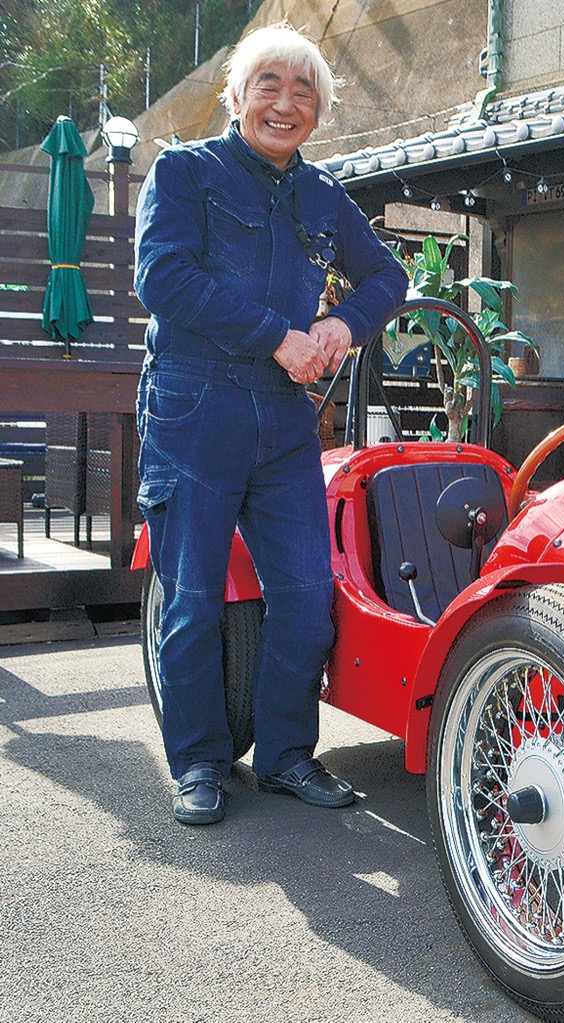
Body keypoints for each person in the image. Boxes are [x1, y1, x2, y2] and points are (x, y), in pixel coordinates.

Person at [134, 23, 408, 825]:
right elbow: (163, 279)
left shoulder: (324, 194)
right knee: (191, 598)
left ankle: (287, 753)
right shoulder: (186, 172)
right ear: (236, 95)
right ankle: (198, 763)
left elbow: (385, 275)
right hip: (194, 403)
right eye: (270, 86)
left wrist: (342, 328)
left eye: (304, 93)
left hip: (285, 417)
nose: (285, 105)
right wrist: (279, 335)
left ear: (318, 113)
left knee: (307, 594)